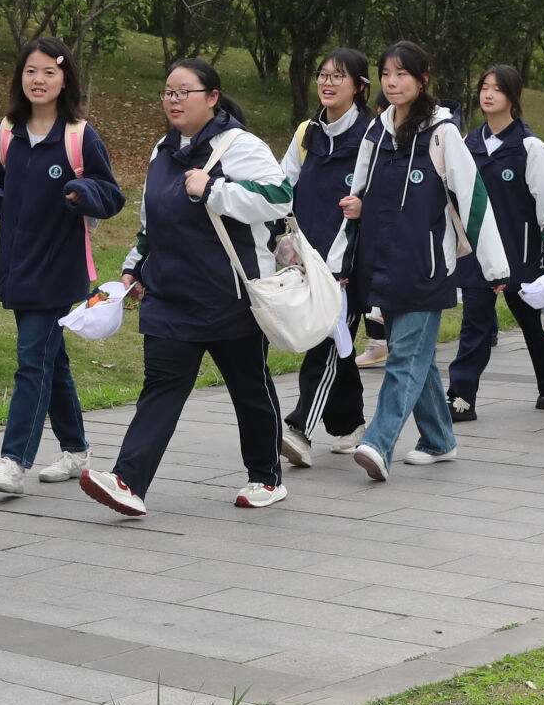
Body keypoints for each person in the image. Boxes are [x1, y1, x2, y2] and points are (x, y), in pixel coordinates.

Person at [81, 60, 293, 518]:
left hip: (230, 299)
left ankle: (266, 477)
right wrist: (134, 268)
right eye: (167, 92)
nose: (173, 100)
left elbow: (281, 197)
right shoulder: (162, 150)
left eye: (183, 92)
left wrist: (213, 188)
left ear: (212, 97)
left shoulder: (240, 146)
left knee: (249, 390)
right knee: (161, 387)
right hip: (170, 296)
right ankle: (128, 482)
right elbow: (150, 222)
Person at [0, 36, 128, 498]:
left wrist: (83, 192)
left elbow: (111, 194)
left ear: (65, 79)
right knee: (51, 362)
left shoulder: (79, 136)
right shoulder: (5, 134)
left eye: (49, 72)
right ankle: (76, 451)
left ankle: (14, 461)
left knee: (32, 361)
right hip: (18, 268)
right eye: (31, 71)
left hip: (59, 270)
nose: (39, 80)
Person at [327, 42, 508, 481]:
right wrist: (343, 252)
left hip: (428, 268)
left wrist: (495, 267)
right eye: (386, 74)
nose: (392, 82)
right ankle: (439, 440)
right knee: (415, 356)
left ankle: (378, 443)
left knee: (405, 355)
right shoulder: (375, 132)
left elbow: (473, 200)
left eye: (402, 74)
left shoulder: (443, 134)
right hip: (383, 264)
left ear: (423, 80)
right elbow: (360, 195)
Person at [446, 64, 544, 420]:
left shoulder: (530, 147)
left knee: (533, 322)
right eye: (484, 87)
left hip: (522, 253)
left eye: (497, 89)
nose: (488, 94)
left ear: (513, 97)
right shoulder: (467, 145)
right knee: (475, 324)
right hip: (478, 255)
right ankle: (461, 397)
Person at [278, 49, 372, 460]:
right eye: (322, 75)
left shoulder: (373, 136)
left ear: (360, 87)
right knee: (336, 344)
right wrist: (281, 239)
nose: (327, 83)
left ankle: (300, 428)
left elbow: (382, 199)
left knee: (326, 342)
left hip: (350, 265)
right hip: (309, 262)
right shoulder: (308, 133)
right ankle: (350, 423)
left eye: (338, 76)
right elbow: (281, 188)